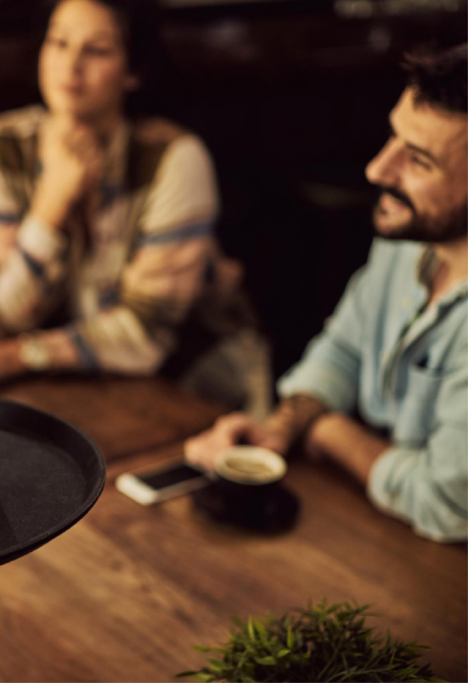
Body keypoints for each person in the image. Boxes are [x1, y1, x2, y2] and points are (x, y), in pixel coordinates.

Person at [186, 44, 468, 543]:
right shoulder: (410, 240)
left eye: (418, 161)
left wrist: (325, 432)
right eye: (393, 137)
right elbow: (342, 351)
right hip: (382, 532)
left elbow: (444, 506)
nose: (378, 170)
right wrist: (281, 428)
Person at [0, 0, 271, 414]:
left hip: (198, 388)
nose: (70, 65)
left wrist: (22, 355)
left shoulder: (174, 158)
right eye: (58, 42)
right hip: (78, 386)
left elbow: (146, 339)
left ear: (133, 71)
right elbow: (9, 309)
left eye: (97, 50)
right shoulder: (2, 144)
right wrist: (52, 204)